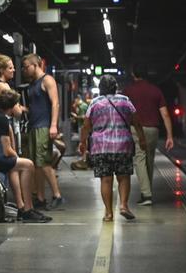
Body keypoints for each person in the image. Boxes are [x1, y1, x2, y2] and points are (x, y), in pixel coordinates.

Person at [0, 90, 50, 223]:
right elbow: (7, 151)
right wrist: (17, 158)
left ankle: (22, 207)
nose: (20, 109)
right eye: (18, 105)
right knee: (28, 165)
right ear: (13, 107)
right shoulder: (0, 119)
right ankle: (28, 210)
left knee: (15, 165)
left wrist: (15, 160)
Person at [79, 76, 146, 222]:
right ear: (115, 87)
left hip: (101, 147)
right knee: (123, 177)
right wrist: (142, 139)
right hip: (123, 146)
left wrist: (83, 143)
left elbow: (85, 126)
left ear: (101, 88)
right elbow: (137, 122)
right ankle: (123, 205)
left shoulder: (95, 103)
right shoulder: (125, 100)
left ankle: (108, 213)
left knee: (106, 180)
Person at [123, 65, 175, 206]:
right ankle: (147, 192)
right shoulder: (155, 90)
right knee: (149, 159)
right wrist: (170, 135)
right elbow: (165, 114)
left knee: (139, 158)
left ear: (133, 74)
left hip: (136, 129)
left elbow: (124, 112)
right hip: (153, 130)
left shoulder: (128, 91)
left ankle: (146, 195)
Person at [20, 54, 64, 210]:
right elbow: (36, 107)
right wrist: (23, 109)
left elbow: (55, 104)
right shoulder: (32, 84)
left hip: (44, 126)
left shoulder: (47, 80)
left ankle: (57, 195)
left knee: (43, 162)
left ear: (35, 65)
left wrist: (53, 125)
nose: (24, 70)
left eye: (26, 67)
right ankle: (39, 197)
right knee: (35, 164)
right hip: (33, 126)